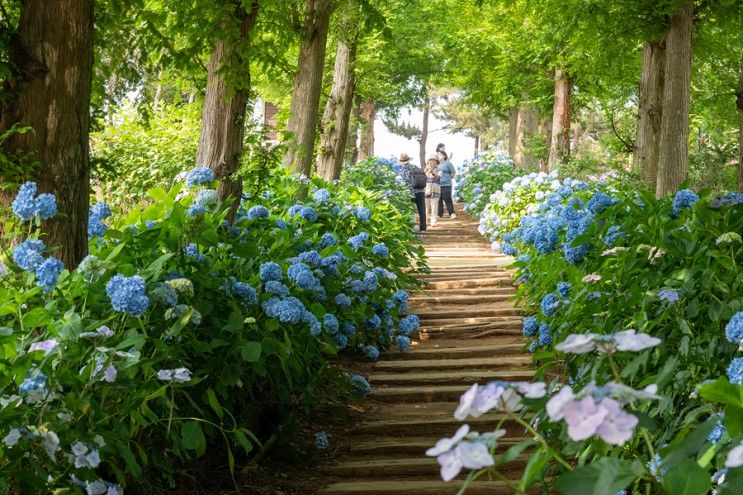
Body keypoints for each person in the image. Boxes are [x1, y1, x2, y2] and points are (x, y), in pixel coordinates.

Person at [397, 153, 427, 232]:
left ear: (401, 161)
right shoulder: (415, 167)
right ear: (408, 160)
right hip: (420, 191)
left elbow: (402, 182)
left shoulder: (401, 170)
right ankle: (423, 228)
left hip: (409, 192)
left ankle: (412, 228)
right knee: (422, 210)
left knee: (410, 210)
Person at [435, 143, 456, 219]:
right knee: (439, 199)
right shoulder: (435, 164)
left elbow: (453, 172)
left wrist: (448, 178)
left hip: (446, 184)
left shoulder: (448, 163)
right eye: (437, 155)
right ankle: (439, 214)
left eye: (440, 155)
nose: (438, 156)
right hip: (437, 184)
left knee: (447, 198)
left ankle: (452, 213)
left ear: (444, 156)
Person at [424, 155, 441, 227]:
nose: (432, 162)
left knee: (434, 206)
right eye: (431, 160)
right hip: (426, 189)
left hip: (435, 189)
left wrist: (432, 171)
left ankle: (433, 221)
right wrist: (427, 170)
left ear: (436, 162)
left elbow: (438, 177)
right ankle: (426, 221)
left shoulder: (439, 170)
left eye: (434, 161)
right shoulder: (426, 170)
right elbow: (423, 178)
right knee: (426, 206)